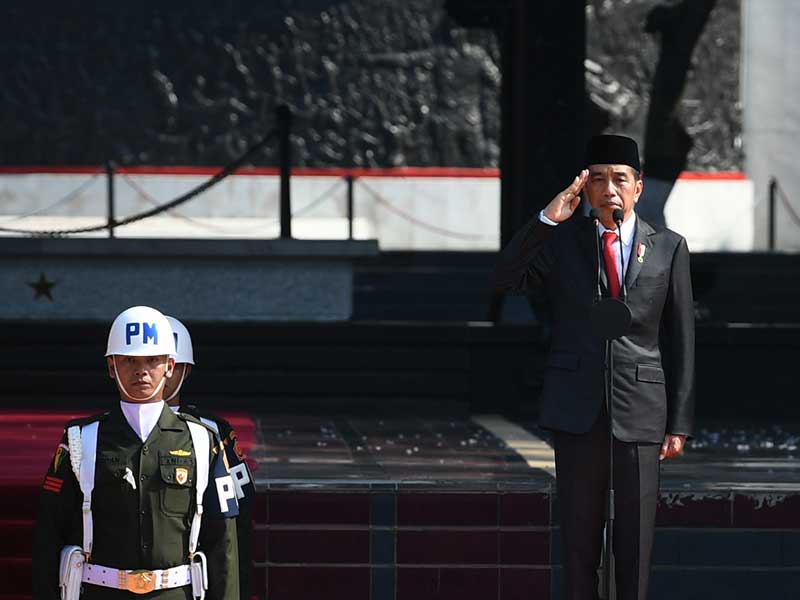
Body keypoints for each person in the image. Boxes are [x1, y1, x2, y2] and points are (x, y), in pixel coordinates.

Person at [493, 135, 694, 600]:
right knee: (579, 541)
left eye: (620, 180)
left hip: (642, 410)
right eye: (598, 180)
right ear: (584, 188)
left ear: (638, 188)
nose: (610, 190)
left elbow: (682, 338)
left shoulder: (667, 247)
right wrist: (547, 220)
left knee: (635, 542)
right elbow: (506, 279)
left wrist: (679, 422)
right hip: (575, 407)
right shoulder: (563, 244)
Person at [32, 305, 240, 600]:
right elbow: (49, 533)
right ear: (111, 366)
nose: (141, 370)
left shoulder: (202, 440)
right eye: (129, 360)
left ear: (170, 366)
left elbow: (222, 544)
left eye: (152, 360)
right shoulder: (81, 439)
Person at [163, 316, 256, 600]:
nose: (160, 374)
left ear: (185, 369)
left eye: (170, 365)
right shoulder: (101, 431)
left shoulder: (213, 431)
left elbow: (238, 512)